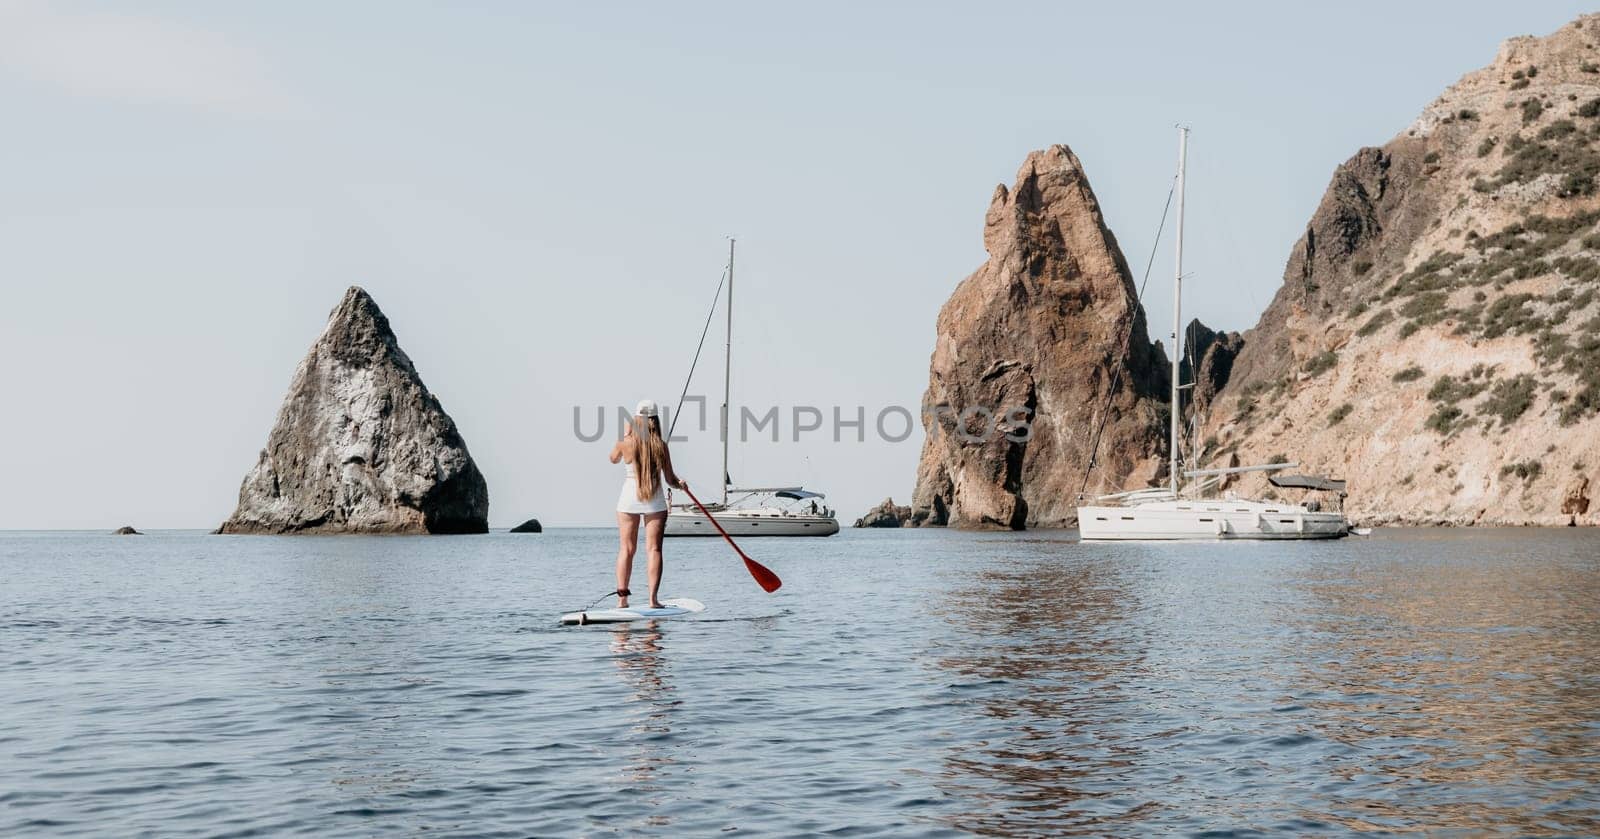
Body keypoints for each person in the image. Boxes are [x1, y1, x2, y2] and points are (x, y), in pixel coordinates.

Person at [609, 399, 686, 609]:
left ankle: (622, 600)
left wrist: (626, 436)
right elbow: (670, 479)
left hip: (628, 500)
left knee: (626, 549)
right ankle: (653, 600)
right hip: (655, 501)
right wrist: (680, 485)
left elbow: (612, 459)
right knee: (654, 550)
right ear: (655, 420)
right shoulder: (660, 445)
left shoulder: (625, 444)